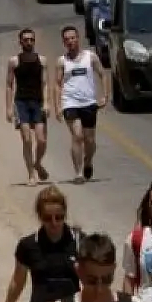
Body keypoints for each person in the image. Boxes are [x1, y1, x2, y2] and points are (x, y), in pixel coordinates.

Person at [53, 25, 110, 184]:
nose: (70, 41)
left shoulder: (90, 57)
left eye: (73, 38)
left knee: (89, 140)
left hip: (89, 102)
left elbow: (103, 75)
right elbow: (57, 84)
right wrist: (58, 106)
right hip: (70, 102)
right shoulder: (62, 61)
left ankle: (88, 161)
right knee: (77, 136)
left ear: (78, 38)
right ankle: (78, 173)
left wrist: (105, 96)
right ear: (64, 42)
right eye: (67, 39)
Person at [6, 28, 51, 186]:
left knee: (41, 139)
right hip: (21, 102)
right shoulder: (14, 61)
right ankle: (31, 174)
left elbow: (45, 83)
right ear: (20, 42)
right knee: (26, 139)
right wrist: (9, 108)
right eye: (26, 39)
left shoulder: (42, 60)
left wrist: (46, 102)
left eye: (31, 39)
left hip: (38, 102)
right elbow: (9, 85)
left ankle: (37, 163)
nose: (29, 42)